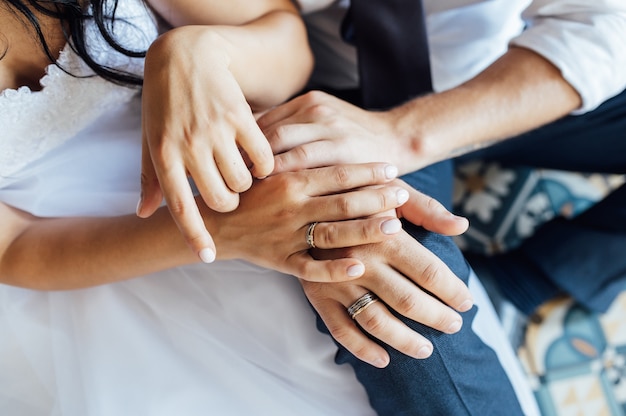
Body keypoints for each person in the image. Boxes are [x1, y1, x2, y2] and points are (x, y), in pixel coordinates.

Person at [0, 0, 502, 414]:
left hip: (235, 159)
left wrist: (197, 52)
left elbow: (288, 46)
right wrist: (229, 229)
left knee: (390, 270)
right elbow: (12, 246)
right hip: (81, 259)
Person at [138, 0, 626, 414]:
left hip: (499, 73)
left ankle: (528, 281)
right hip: (334, 96)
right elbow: (267, 26)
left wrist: (403, 135)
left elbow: (601, 24)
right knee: (397, 297)